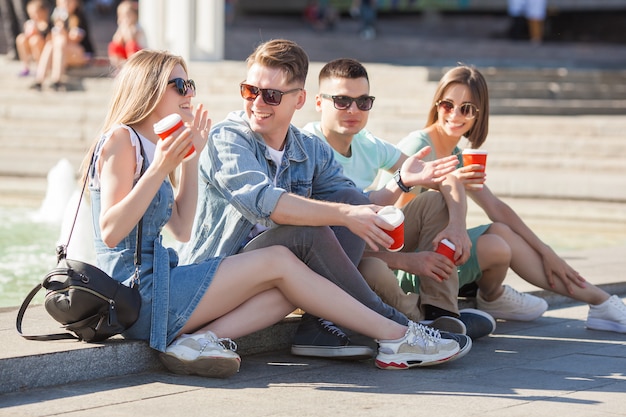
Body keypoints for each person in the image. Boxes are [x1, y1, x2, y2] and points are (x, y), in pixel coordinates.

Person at [83, 48, 462, 379]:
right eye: (181, 86)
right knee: (292, 251)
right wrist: (161, 166)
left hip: (168, 284)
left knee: (297, 268)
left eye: (190, 85)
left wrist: (186, 161)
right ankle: (399, 334)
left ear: (298, 99)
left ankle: (200, 341)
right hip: (140, 297)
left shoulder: (156, 149)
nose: (190, 94)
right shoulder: (122, 139)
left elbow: (181, 228)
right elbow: (112, 232)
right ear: (148, 90)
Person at [178, 39, 471, 361]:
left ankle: (322, 323)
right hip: (215, 277)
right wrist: (347, 213)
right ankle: (399, 329)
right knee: (309, 233)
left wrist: (401, 182)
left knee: (345, 202)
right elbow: (264, 202)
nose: (258, 103)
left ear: (298, 100)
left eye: (271, 95)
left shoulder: (308, 148)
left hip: (275, 278)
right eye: (250, 91)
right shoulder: (229, 138)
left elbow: (353, 203)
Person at [389, 65, 626, 333]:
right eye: (447, 105)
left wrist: (547, 251)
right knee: (496, 245)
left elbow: (496, 208)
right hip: (409, 266)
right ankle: (502, 296)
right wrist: (446, 186)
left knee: (501, 235)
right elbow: (396, 217)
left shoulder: (457, 154)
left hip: (438, 257)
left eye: (466, 108)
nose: (455, 115)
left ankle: (599, 302)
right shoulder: (417, 146)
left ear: (479, 115)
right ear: (436, 105)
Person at [302, 58, 497, 340]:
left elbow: (446, 177)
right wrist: (407, 261)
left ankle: (441, 313)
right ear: (319, 102)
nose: (353, 110)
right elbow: (324, 244)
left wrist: (456, 225)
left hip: (369, 240)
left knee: (437, 201)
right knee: (374, 270)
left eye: (363, 101)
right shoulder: (308, 148)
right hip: (331, 260)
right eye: (342, 101)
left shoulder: (367, 142)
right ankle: (419, 322)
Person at [30, 0, 94, 91]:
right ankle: (40, 79)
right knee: (51, 44)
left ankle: (57, 79)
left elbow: (76, 39)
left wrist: (63, 31)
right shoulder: (56, 17)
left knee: (59, 42)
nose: (66, 5)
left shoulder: (78, 17)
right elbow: (49, 38)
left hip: (80, 54)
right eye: (63, 2)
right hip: (62, 52)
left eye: (69, 2)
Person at [107, 0, 145, 74]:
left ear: (134, 16)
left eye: (127, 16)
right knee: (113, 46)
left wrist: (126, 31)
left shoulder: (137, 27)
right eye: (121, 16)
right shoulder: (122, 27)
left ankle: (132, 66)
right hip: (126, 55)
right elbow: (116, 40)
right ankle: (119, 66)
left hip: (140, 54)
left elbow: (130, 39)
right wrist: (121, 31)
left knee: (131, 45)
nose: (124, 19)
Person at [15, 0, 50, 76]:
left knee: (35, 40)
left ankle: (41, 68)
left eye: (36, 13)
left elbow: (46, 36)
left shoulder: (47, 23)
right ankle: (26, 67)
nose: (33, 16)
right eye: (31, 14)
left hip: (44, 49)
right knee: (21, 38)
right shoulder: (30, 23)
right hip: (31, 47)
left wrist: (37, 30)